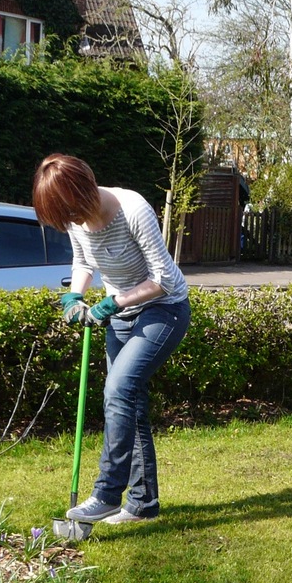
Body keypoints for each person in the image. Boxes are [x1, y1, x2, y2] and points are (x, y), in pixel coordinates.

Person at [33, 153, 191, 525]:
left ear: (83, 191)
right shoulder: (76, 217)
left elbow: (162, 279)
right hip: (120, 314)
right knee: (129, 404)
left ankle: (105, 495)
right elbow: (83, 262)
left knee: (119, 390)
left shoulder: (133, 209)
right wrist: (75, 295)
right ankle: (142, 505)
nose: (71, 222)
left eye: (70, 213)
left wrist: (113, 301)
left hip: (163, 309)